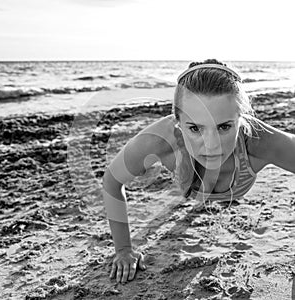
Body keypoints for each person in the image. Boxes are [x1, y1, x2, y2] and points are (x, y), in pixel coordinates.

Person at [102, 59, 295, 284]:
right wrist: (124, 249)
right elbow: (111, 181)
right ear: (178, 124)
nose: (212, 145)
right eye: (194, 128)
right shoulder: (159, 142)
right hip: (188, 184)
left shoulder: (259, 142)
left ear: (241, 120)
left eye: (224, 127)